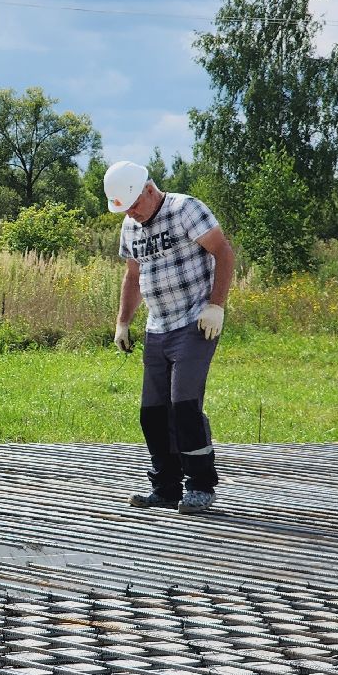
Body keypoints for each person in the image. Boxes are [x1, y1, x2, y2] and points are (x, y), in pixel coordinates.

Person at [106, 160, 236, 515]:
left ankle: (200, 485)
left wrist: (216, 306)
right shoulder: (130, 227)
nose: (131, 213)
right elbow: (132, 277)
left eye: (134, 204)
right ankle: (165, 487)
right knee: (152, 412)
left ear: (149, 189)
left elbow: (223, 252)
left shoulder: (185, 209)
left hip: (195, 323)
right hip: (157, 327)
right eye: (124, 209)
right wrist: (122, 323)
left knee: (184, 407)